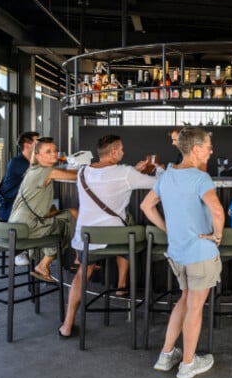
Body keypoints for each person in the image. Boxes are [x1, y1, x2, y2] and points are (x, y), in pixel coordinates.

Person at [142, 127, 223, 378]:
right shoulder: (201, 179)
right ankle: (188, 363)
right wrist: (217, 236)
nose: (211, 150)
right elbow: (217, 211)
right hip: (200, 251)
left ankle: (166, 355)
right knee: (195, 307)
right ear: (196, 149)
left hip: (178, 251)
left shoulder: (166, 176)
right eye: (208, 146)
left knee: (185, 299)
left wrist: (169, 229)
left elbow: (147, 206)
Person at [57, 135, 158, 338]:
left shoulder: (83, 172)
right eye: (121, 149)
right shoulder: (126, 173)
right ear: (113, 152)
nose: (123, 152)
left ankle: (67, 324)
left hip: (87, 238)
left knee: (82, 273)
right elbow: (159, 182)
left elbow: (109, 178)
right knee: (132, 231)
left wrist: (133, 173)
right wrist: (148, 170)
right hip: (118, 239)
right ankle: (122, 287)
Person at [7, 137, 79, 285]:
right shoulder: (46, 171)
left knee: (71, 213)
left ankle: (75, 258)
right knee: (67, 222)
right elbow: (76, 176)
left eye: (55, 150)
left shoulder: (33, 169)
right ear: (38, 156)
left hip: (15, 225)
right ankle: (44, 264)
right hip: (28, 227)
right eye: (48, 151)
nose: (54, 154)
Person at [0, 131, 39, 222]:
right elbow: (43, 172)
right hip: (11, 211)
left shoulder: (28, 163)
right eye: (38, 142)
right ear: (27, 145)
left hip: (18, 208)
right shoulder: (18, 162)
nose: (42, 145)